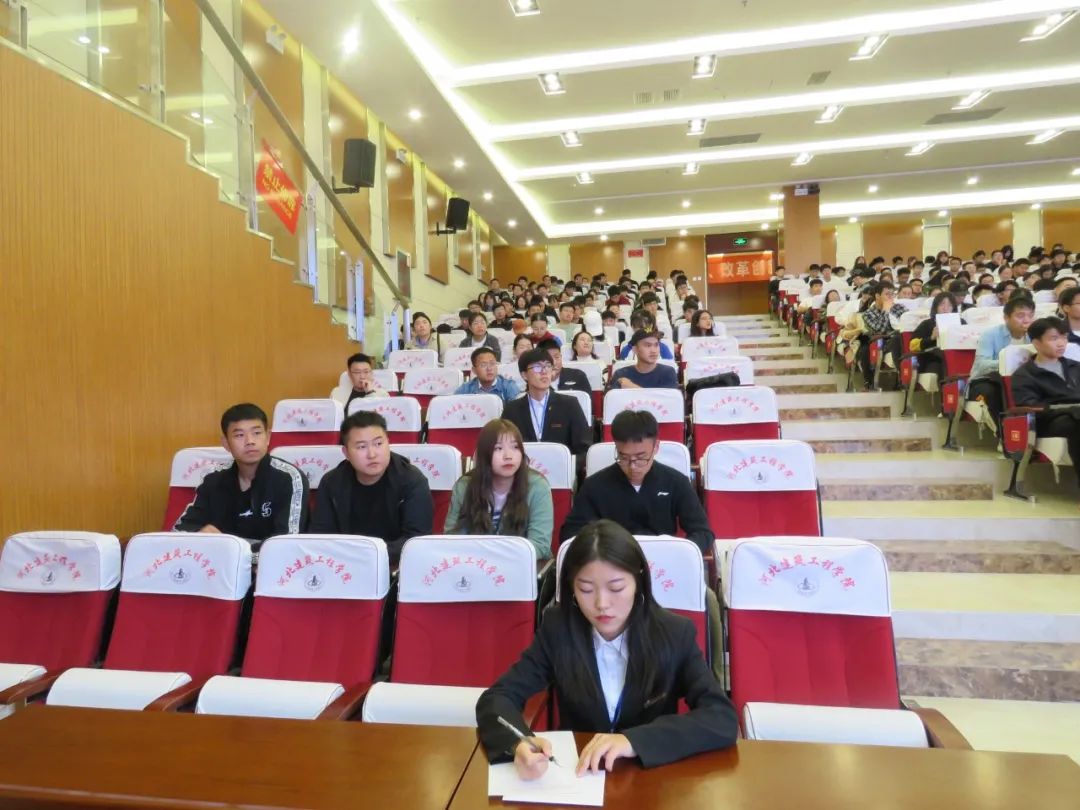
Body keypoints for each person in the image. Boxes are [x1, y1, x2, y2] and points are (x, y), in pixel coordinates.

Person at [476, 519, 737, 777]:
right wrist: (518, 743)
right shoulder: (559, 629)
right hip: (577, 776)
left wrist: (634, 741)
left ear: (638, 581)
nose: (602, 603)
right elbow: (498, 698)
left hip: (650, 779)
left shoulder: (673, 633)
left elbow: (721, 717)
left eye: (616, 588)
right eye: (586, 589)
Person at [560, 411, 713, 551]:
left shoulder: (676, 482)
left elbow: (703, 532)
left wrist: (678, 552)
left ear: (656, 447)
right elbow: (570, 533)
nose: (632, 466)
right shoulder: (595, 486)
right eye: (624, 457)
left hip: (662, 557)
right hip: (613, 560)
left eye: (641, 457)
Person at [173, 403, 308, 546]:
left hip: (267, 560)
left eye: (257, 433)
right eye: (239, 435)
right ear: (226, 443)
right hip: (222, 558)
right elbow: (179, 531)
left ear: (268, 437)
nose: (250, 441)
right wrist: (199, 533)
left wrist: (235, 550)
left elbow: (287, 543)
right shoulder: (213, 479)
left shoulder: (289, 479)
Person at [309, 411, 433, 563]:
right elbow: (321, 537)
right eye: (361, 447)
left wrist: (365, 555)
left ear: (388, 443)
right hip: (344, 564)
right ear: (346, 452)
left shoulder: (412, 480)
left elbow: (416, 541)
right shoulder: (331, 483)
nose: (372, 454)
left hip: (396, 565)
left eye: (378, 444)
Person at [444, 419, 554, 560]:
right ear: (484, 454)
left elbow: (540, 545)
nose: (508, 456)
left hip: (520, 565)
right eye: (498, 448)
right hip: (475, 564)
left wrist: (496, 558)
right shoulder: (464, 486)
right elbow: (452, 540)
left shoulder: (537, 486)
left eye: (515, 447)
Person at [1011, 317, 1080, 489]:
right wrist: (1070, 409)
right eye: (1054, 338)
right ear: (1036, 343)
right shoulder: (1025, 375)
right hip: (1051, 421)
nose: (1061, 343)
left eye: (1064, 337)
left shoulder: (1076, 367)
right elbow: (1031, 407)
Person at [502, 348, 591, 457]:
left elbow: (584, 449)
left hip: (561, 466)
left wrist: (568, 464)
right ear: (524, 375)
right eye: (537, 367)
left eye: (548, 366)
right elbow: (504, 447)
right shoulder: (511, 410)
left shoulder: (570, 404)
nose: (544, 371)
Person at [966, 295, 1035, 429]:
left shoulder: (1035, 335)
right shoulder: (990, 335)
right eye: (1020, 316)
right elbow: (981, 365)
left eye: (1030, 316)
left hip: (1022, 380)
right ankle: (1003, 432)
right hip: (987, 380)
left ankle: (1030, 430)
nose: (1026, 320)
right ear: (1006, 317)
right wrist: (1008, 363)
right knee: (993, 392)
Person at [908, 292, 957, 380]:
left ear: (953, 308)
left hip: (956, 358)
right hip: (934, 360)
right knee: (939, 370)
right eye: (942, 304)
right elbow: (912, 345)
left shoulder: (961, 322)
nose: (946, 308)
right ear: (936, 307)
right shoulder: (927, 324)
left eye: (949, 305)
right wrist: (931, 338)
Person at [609, 331, 678, 390]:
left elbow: (666, 400)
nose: (653, 351)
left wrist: (633, 387)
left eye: (656, 345)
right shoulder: (620, 374)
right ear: (635, 349)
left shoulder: (668, 373)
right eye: (648, 345)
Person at [455, 347, 522, 404]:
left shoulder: (509, 386)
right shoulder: (465, 389)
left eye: (492, 364)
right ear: (474, 370)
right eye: (483, 365)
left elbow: (518, 411)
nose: (489, 368)